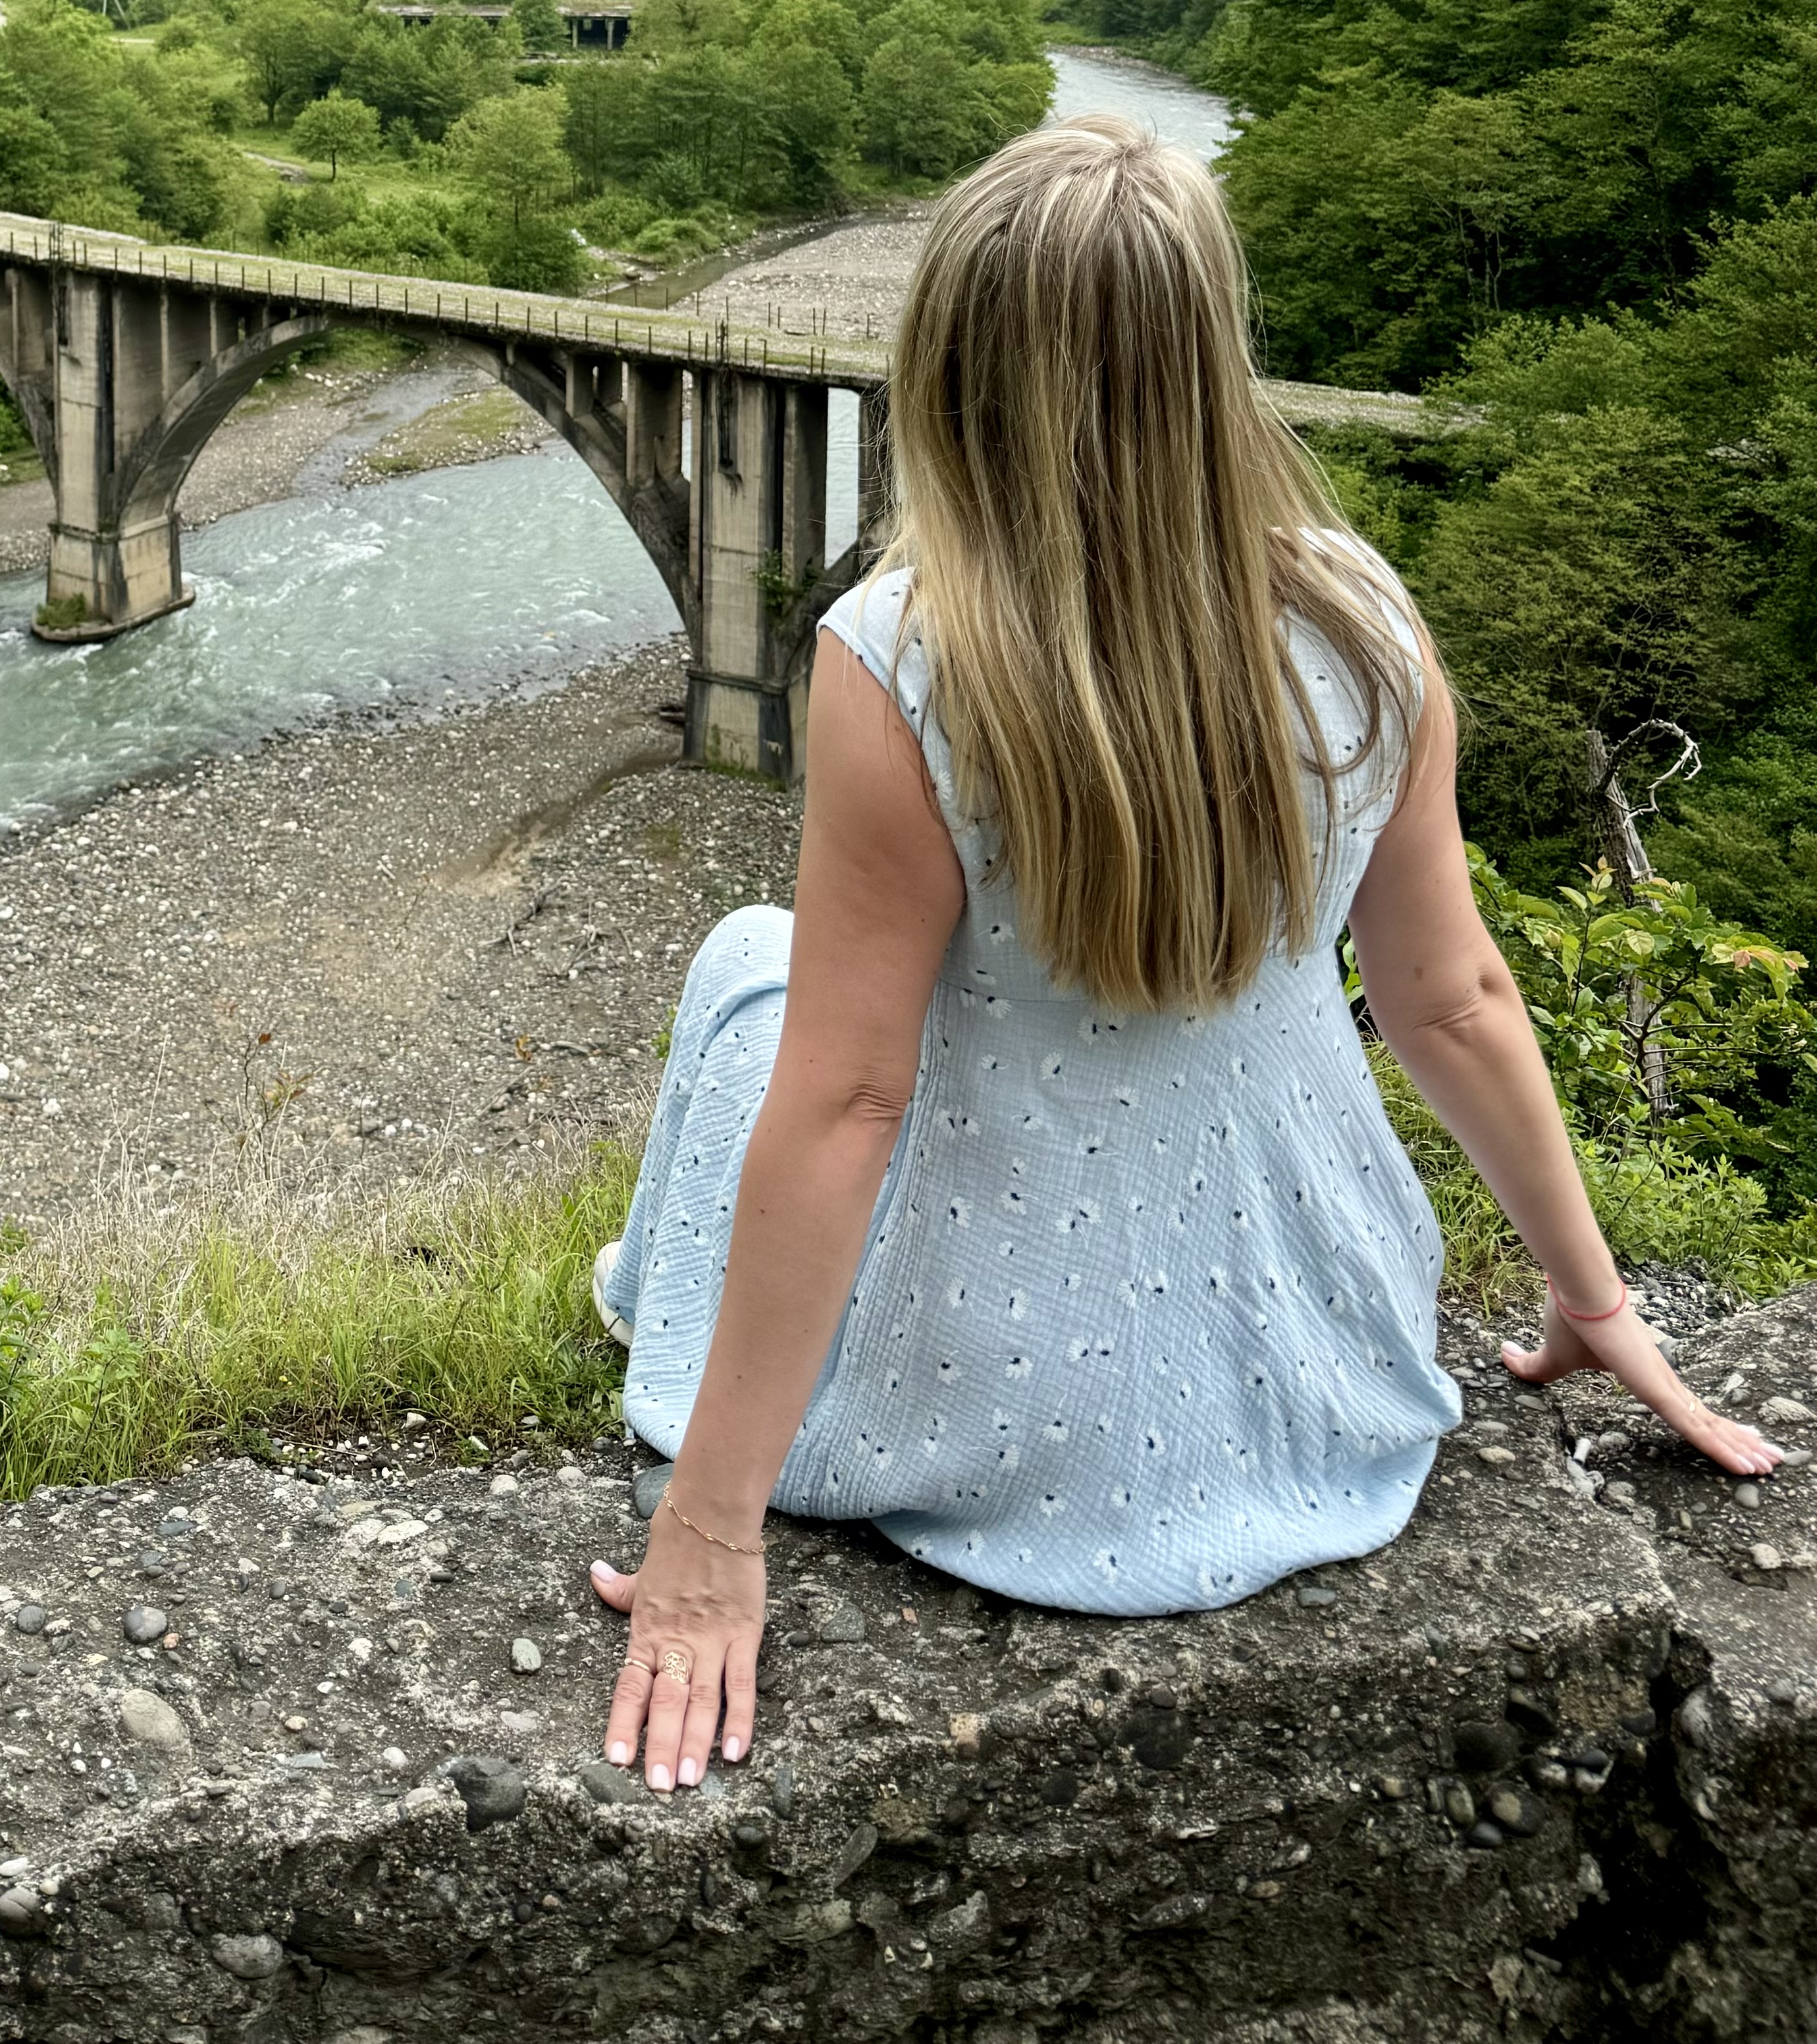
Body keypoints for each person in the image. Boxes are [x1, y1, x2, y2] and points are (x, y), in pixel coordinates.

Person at [588, 114, 1780, 1799]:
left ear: (953, 369)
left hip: (1000, 1395)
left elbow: (854, 1099)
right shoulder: (1363, 617)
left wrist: (710, 1534)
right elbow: (1451, 999)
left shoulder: (904, 654)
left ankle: (660, 1313)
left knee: (749, 971)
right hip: (1316, 1370)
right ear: (1214, 358)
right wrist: (1593, 1299)